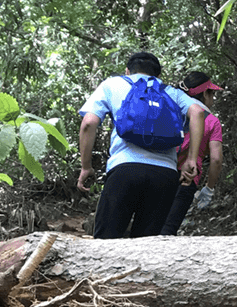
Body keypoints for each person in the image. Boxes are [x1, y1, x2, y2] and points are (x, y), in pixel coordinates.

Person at [77, 51, 206, 239]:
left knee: (105, 243)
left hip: (124, 171)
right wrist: (191, 159)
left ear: (127, 71)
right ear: (157, 75)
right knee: (147, 246)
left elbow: (88, 123)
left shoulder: (113, 85)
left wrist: (86, 167)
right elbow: (198, 112)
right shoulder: (170, 92)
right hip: (165, 176)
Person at [160, 71, 225, 236]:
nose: (214, 99)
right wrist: (209, 188)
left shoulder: (170, 109)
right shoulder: (211, 121)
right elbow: (216, 160)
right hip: (187, 179)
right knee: (168, 230)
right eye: (212, 94)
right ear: (205, 93)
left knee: (148, 226)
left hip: (159, 171)